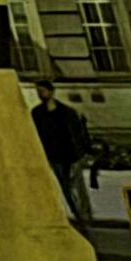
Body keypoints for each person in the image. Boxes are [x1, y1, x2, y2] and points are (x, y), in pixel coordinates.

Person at [32, 83, 94, 224]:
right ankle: (78, 213)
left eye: (42, 91)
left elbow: (77, 134)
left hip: (71, 154)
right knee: (66, 186)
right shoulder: (37, 113)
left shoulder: (67, 112)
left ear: (51, 92)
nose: (40, 94)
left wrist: (83, 151)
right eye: (38, 91)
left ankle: (84, 214)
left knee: (77, 186)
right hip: (54, 155)